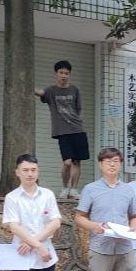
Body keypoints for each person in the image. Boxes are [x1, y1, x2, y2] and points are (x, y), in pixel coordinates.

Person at [35, 61, 88, 198]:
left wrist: (76, 121)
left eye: (66, 73)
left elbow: (79, 108)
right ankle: (65, 188)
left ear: (69, 75)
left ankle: (74, 190)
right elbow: (40, 93)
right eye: (61, 73)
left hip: (77, 129)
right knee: (67, 162)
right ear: (56, 74)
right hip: (62, 131)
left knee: (77, 161)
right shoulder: (51, 90)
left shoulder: (75, 90)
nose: (64, 75)